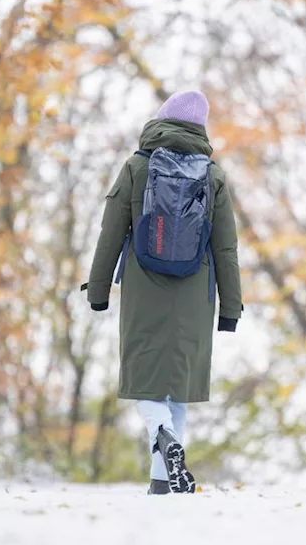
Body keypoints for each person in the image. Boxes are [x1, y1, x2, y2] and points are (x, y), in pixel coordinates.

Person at [83, 90, 243, 495]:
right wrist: (231, 309)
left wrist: (98, 290)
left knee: (145, 378)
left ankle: (162, 436)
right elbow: (226, 248)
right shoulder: (215, 175)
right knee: (179, 384)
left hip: (144, 286)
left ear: (161, 120)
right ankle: (162, 480)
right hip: (195, 294)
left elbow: (110, 233)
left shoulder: (138, 166)